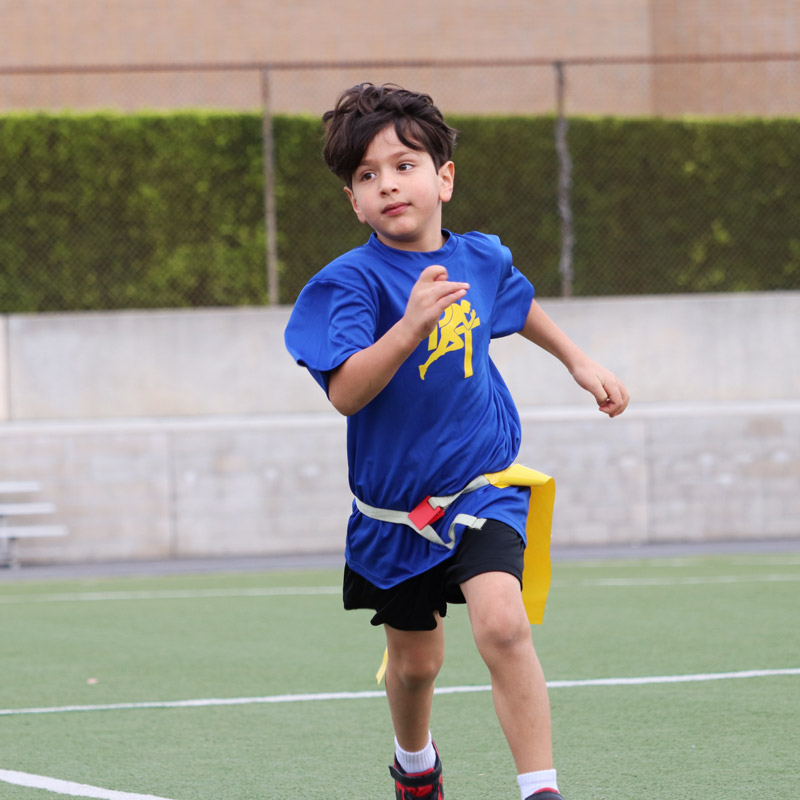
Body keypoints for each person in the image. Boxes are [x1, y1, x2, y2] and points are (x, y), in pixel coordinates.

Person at [284, 82, 629, 800]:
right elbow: (346, 393)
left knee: (503, 625)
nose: (387, 184)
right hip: (394, 514)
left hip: (482, 484)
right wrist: (409, 325)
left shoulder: (479, 259)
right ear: (354, 202)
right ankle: (416, 767)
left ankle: (540, 789)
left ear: (444, 178)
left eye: (404, 165)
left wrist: (577, 359)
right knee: (416, 666)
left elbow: (517, 302)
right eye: (367, 176)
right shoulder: (348, 285)